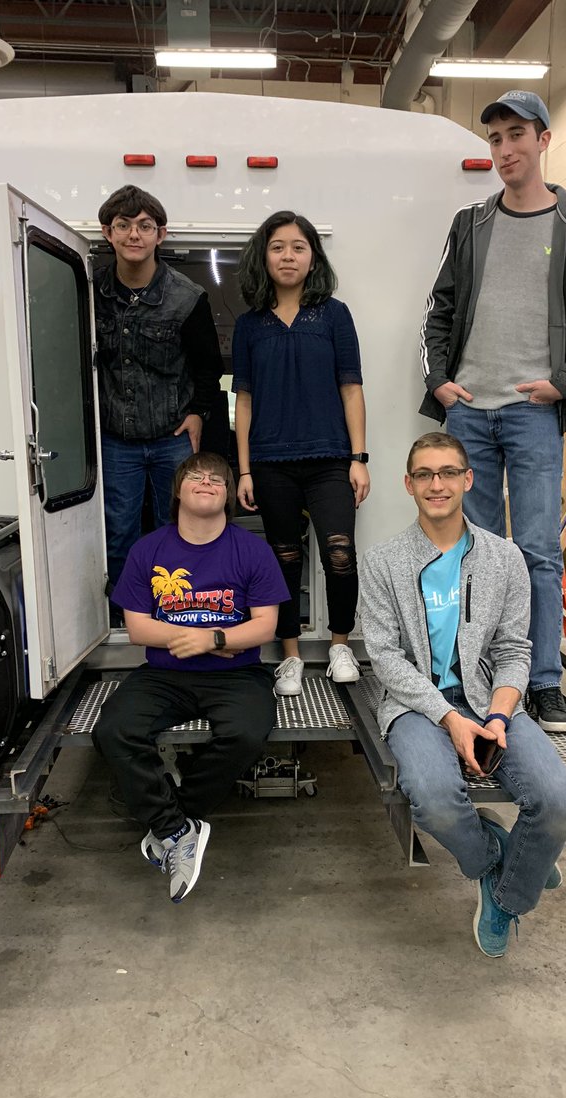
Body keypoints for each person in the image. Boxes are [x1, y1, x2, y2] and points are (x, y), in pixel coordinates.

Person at [418, 90, 566, 733]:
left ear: (543, 140)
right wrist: (441, 380)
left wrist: (562, 383)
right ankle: (471, 676)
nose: (504, 149)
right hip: (469, 411)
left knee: (535, 550)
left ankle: (542, 682)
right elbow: (439, 309)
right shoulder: (470, 223)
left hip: (533, 413)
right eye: (496, 138)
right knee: (465, 550)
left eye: (515, 136)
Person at [360, 432, 566, 958]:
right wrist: (447, 718)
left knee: (555, 802)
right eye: (425, 475)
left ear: (468, 480)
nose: (438, 484)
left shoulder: (505, 559)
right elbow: (385, 658)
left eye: (448, 473)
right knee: (433, 800)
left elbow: (513, 650)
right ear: (409, 485)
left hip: (489, 697)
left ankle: (506, 896)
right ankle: (490, 857)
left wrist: (500, 716)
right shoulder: (382, 562)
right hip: (415, 704)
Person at [92, 451, 289, 903]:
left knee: (246, 734)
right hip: (165, 675)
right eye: (195, 476)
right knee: (113, 730)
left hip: (236, 673)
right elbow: (138, 627)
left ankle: (175, 819)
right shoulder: (149, 549)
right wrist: (193, 637)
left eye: (217, 479)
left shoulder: (251, 550)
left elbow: (265, 626)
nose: (206, 482)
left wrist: (212, 641)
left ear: (227, 495)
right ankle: (176, 828)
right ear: (177, 490)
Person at [232, 211, 370, 697]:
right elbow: (243, 399)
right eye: (277, 247)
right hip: (271, 462)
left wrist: (360, 457)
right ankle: (289, 656)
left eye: (298, 247)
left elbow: (351, 388)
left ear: (313, 257)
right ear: (263, 256)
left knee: (340, 552)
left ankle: (339, 645)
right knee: (283, 558)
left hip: (330, 457)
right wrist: (244, 469)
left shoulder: (334, 315)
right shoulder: (250, 325)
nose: (288, 256)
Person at [95, 185, 225, 621]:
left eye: (145, 226)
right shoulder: (89, 291)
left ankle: (179, 610)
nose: (135, 234)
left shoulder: (187, 298)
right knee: (118, 532)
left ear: (161, 235)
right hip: (115, 439)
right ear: (107, 233)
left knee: (180, 527)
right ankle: (126, 617)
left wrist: (197, 414)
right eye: (124, 225)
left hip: (172, 435)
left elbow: (209, 366)